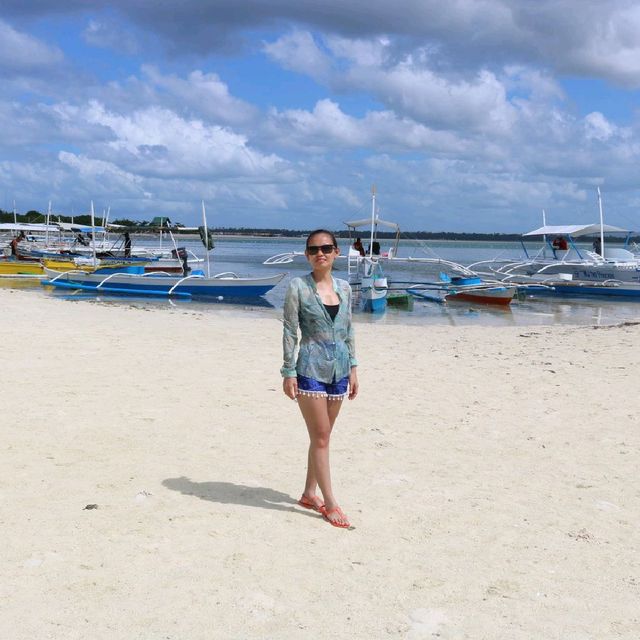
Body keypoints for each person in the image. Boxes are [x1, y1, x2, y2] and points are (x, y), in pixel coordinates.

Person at [281, 229, 358, 529]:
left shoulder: (345, 288)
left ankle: (308, 493)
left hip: (339, 369)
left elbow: (349, 330)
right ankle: (330, 503)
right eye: (313, 250)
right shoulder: (297, 287)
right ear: (307, 255)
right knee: (322, 437)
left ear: (337, 252)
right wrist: (288, 372)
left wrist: (354, 367)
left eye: (326, 248)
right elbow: (290, 331)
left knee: (321, 438)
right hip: (310, 369)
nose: (320, 254)